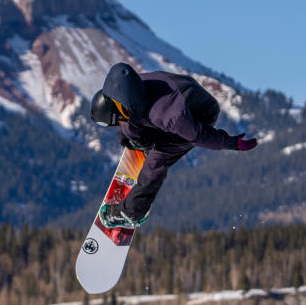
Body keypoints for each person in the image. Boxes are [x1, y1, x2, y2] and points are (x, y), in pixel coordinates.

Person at [89, 62, 258, 228]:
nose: (118, 123)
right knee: (128, 126)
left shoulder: (167, 114)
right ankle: (141, 141)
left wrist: (232, 142)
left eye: (115, 121)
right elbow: (126, 117)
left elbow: (199, 135)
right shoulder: (127, 88)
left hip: (199, 116)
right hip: (174, 101)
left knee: (156, 162)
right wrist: (129, 138)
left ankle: (131, 212)